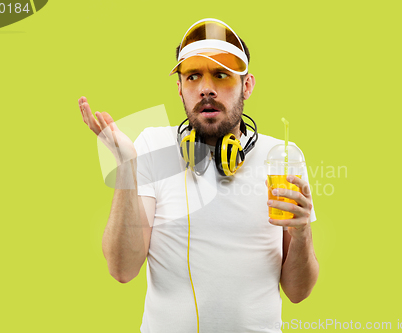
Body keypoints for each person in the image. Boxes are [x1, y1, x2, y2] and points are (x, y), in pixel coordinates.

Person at [78, 18, 319, 333]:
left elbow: (298, 293)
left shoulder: (282, 157)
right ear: (179, 87)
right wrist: (127, 168)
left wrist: (301, 234)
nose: (207, 88)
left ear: (247, 85)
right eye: (193, 76)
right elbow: (122, 269)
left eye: (221, 74)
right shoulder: (152, 145)